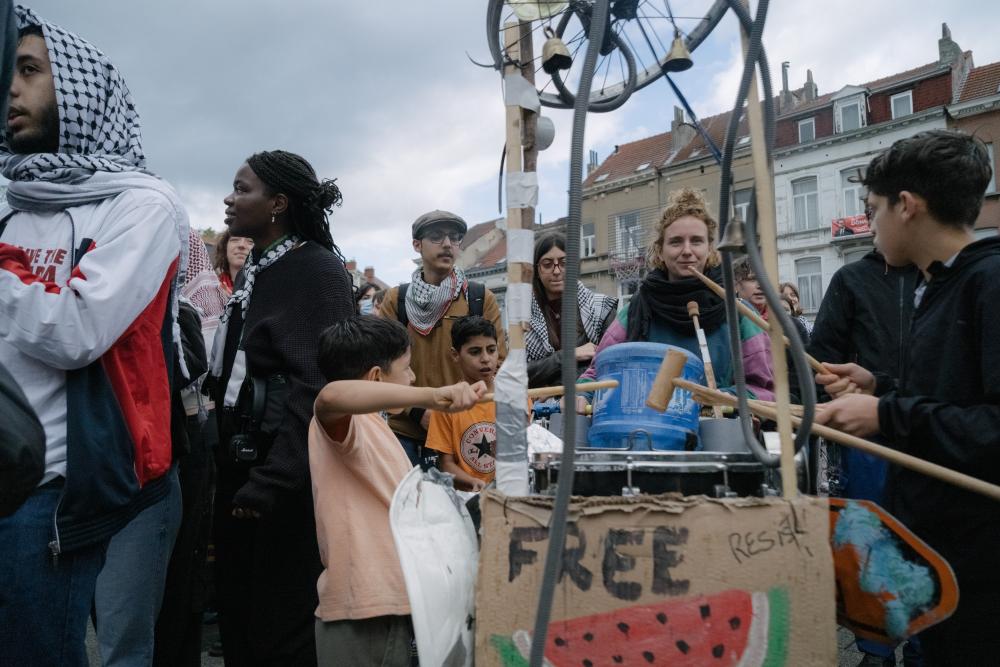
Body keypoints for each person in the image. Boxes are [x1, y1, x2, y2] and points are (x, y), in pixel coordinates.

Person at [0, 9, 187, 665]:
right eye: (8, 70)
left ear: (81, 89)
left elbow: (75, 328)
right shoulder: (10, 194)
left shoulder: (141, 203)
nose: (10, 89)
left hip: (48, 488)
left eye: (29, 71)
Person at [816, 129, 1000, 663]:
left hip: (981, 569)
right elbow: (954, 397)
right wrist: (882, 386)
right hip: (942, 556)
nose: (870, 225)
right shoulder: (941, 285)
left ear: (907, 206)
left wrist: (885, 412)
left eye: (873, 210)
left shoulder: (987, 283)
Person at [209, 150, 355, 665]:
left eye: (242, 189)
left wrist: (272, 481)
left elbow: (317, 389)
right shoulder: (258, 268)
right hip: (243, 469)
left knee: (279, 631)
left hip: (282, 486)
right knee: (240, 620)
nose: (230, 199)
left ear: (278, 203)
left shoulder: (315, 270)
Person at [309, 315, 485, 665]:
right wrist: (433, 396)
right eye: (407, 369)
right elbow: (330, 396)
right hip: (363, 613)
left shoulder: (376, 426)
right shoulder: (347, 424)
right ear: (376, 377)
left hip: (394, 608)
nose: (413, 378)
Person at [810, 249, 918, 666]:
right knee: (871, 543)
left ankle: (927, 644)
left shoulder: (948, 277)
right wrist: (835, 390)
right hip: (870, 440)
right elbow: (822, 356)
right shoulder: (851, 279)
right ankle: (876, 648)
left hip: (930, 435)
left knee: (927, 545)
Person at [581, 188, 774, 400]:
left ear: (710, 248)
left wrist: (723, 398)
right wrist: (581, 395)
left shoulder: (739, 314)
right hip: (647, 429)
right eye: (676, 242)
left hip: (719, 430)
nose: (687, 251)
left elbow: (764, 390)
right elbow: (596, 374)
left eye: (697, 241)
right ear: (660, 251)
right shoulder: (635, 311)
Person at [379, 210, 506, 467]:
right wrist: (417, 411)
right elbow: (379, 368)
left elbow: (498, 363)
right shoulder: (397, 300)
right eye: (437, 237)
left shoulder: (480, 298)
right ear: (417, 244)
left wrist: (462, 408)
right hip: (406, 434)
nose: (448, 244)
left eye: (455, 238)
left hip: (462, 434)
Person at [526, 232, 618, 388]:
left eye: (564, 262)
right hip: (541, 408)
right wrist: (569, 355)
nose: (556, 271)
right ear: (537, 270)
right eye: (547, 264)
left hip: (590, 404)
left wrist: (554, 384)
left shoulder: (601, 309)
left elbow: (611, 364)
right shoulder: (525, 319)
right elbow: (521, 374)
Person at [425, 316, 501, 491]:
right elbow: (446, 464)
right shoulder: (447, 405)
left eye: (491, 350)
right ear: (455, 355)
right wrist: (474, 483)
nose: (485, 359)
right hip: (466, 497)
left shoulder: (514, 395)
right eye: (475, 352)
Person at [213, 229, 252, 296]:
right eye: (235, 240)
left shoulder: (269, 288)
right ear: (225, 248)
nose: (241, 245)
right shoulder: (210, 288)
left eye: (250, 241)